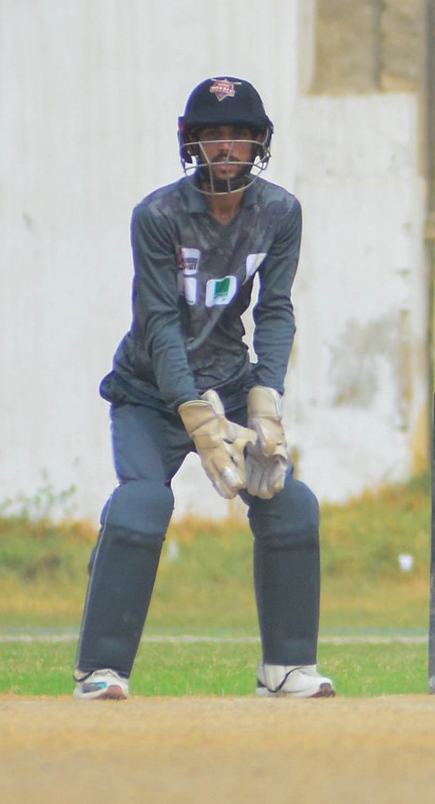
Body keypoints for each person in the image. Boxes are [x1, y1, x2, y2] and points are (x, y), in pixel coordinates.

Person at [72, 76, 334, 700]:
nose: (226, 148)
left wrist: (265, 404)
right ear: (191, 143)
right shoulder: (158, 215)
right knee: (142, 504)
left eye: (239, 136)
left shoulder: (280, 212)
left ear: (259, 143)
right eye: (213, 136)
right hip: (150, 390)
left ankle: (286, 668)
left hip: (231, 380)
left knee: (290, 502)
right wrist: (196, 417)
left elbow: (276, 309)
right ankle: (101, 670)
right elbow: (160, 320)